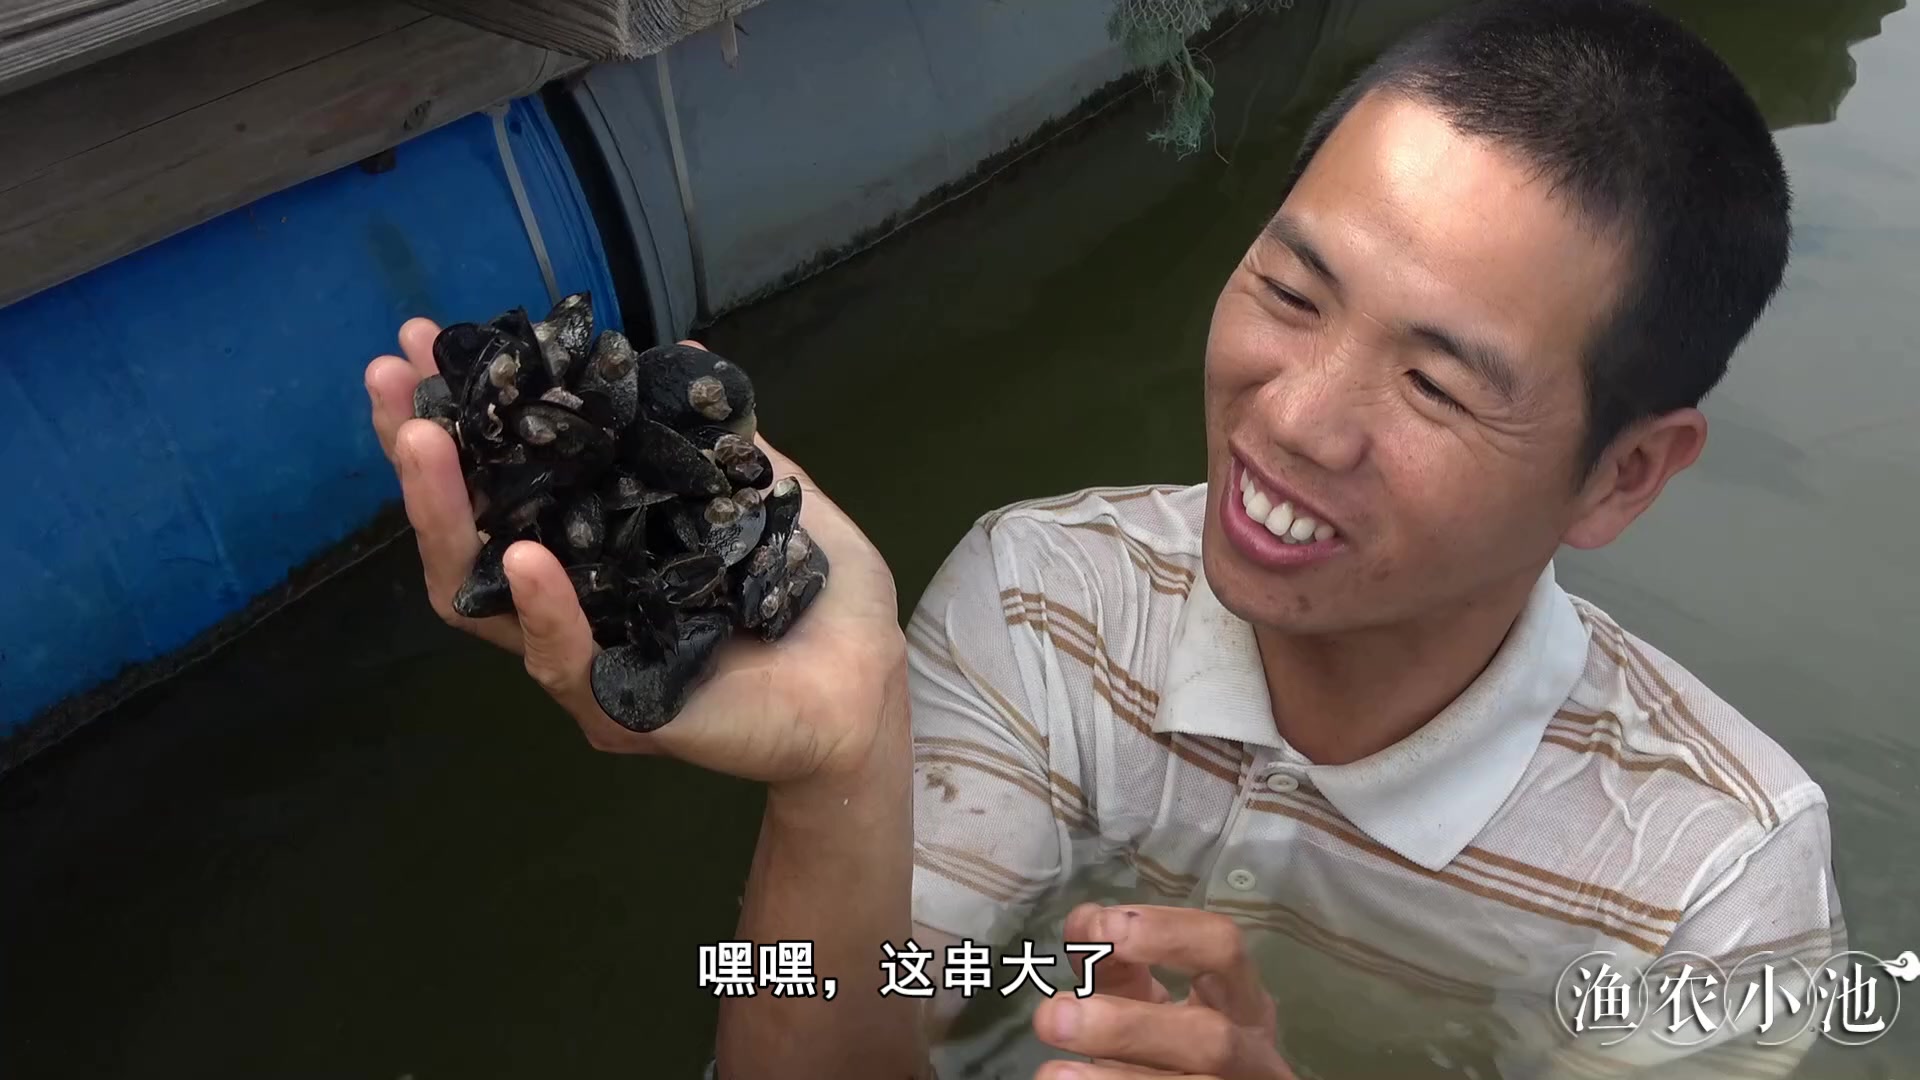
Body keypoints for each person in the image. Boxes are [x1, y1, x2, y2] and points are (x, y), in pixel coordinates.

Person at [365, 1, 1847, 1077]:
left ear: (1623, 476)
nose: (1299, 418)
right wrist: (845, 767)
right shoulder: (1047, 596)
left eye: (1436, 381)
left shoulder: (1714, 880)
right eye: (1291, 290)